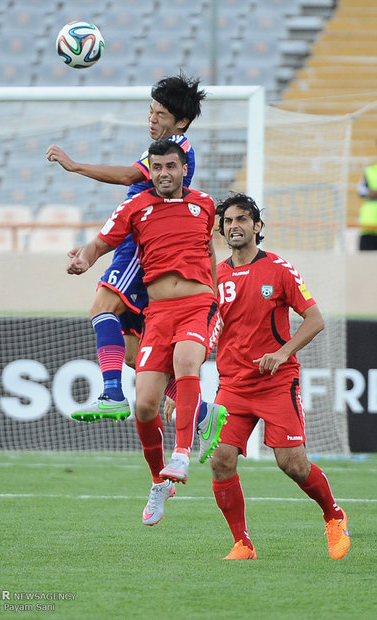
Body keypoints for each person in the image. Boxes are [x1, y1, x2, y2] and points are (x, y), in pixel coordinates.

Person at [66, 139, 227, 525]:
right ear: (150, 170)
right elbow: (101, 243)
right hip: (158, 312)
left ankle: (182, 454)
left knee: (187, 360)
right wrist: (82, 259)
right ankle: (159, 482)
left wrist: (216, 299)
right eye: (157, 167)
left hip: (195, 305)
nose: (164, 173)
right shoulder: (135, 207)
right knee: (144, 405)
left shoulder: (204, 204)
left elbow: (208, 252)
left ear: (184, 168)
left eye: (171, 166)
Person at [47, 73, 207, 420]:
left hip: (140, 244)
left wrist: (75, 166)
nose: (152, 119)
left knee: (100, 307)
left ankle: (112, 394)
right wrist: (91, 249)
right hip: (135, 239)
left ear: (181, 121)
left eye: (161, 114)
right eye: (151, 111)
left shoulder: (178, 149)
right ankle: (203, 413)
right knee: (136, 354)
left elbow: (129, 178)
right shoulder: (163, 149)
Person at [210, 192, 350, 561]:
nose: (234, 226)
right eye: (228, 221)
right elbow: (205, 330)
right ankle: (242, 543)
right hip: (233, 386)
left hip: (276, 383)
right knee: (220, 459)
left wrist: (283, 351)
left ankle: (334, 515)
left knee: (292, 464)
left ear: (258, 227)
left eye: (242, 220)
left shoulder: (279, 270)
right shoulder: (215, 276)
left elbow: (315, 319)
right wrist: (181, 382)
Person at [357, 150, 377, 250]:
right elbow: (360, 190)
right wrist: (370, 193)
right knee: (366, 261)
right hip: (369, 225)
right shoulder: (371, 170)